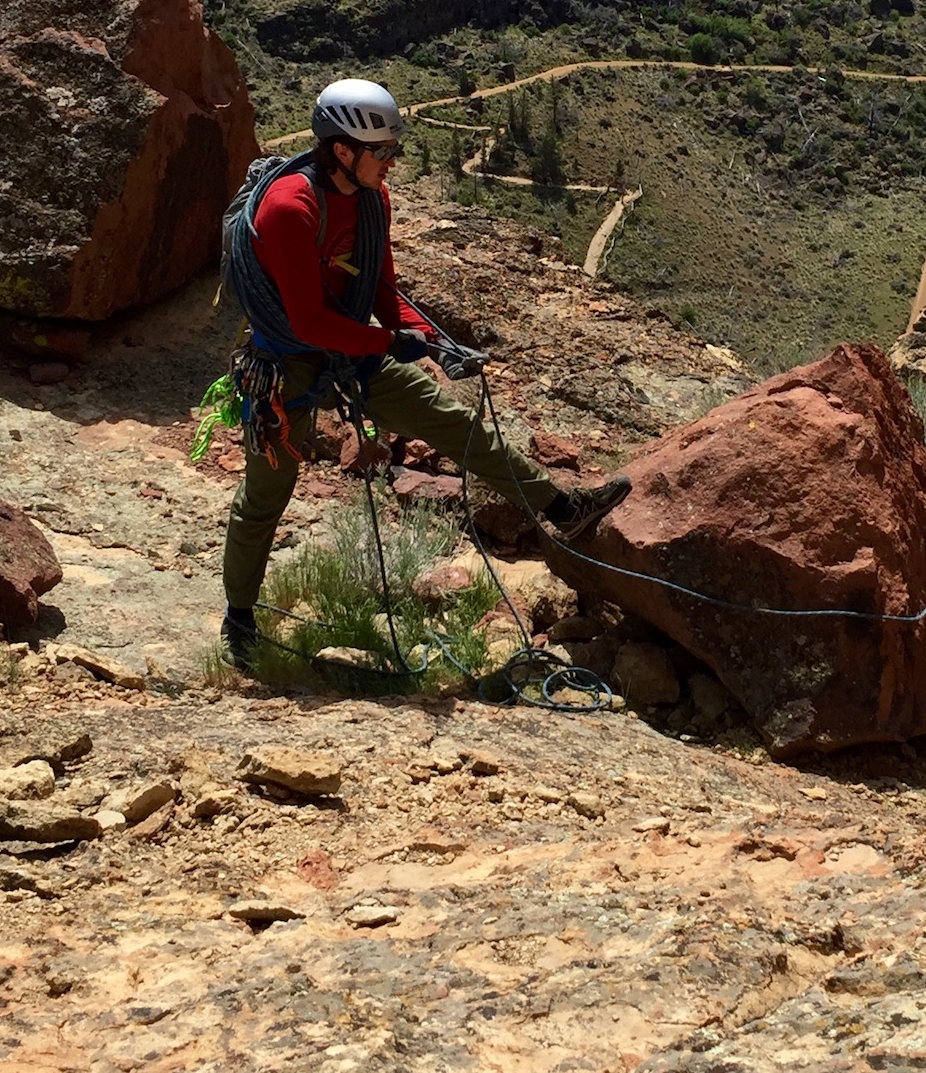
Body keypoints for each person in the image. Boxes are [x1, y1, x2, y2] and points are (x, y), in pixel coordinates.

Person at [218, 77, 629, 667]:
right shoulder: (290, 209)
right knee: (265, 495)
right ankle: (239, 620)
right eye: (381, 151)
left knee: (456, 426)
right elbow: (307, 320)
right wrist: (390, 341)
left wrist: (436, 342)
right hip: (285, 365)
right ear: (342, 150)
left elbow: (382, 288)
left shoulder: (370, 200)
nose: (391, 163)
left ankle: (561, 506)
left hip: (353, 348)